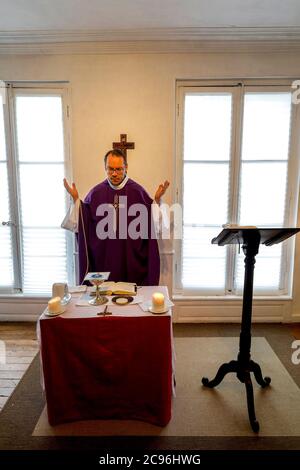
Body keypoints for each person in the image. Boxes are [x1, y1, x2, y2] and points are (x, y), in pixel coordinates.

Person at [62, 148, 169, 285]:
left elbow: (152, 223)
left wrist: (157, 201)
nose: (114, 174)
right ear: (104, 168)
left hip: (131, 262)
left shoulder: (138, 192)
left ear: (126, 168)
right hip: (104, 260)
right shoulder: (96, 193)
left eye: (119, 169)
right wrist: (76, 201)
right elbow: (84, 219)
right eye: (110, 169)